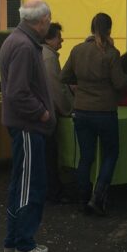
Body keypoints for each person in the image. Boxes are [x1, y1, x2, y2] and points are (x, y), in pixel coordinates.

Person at [0, 0, 56, 252]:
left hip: (25, 125)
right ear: (42, 20)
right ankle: (24, 245)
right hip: (28, 126)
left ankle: (14, 242)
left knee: (20, 184)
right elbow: (18, 93)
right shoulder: (24, 46)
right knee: (30, 186)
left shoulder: (19, 40)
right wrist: (42, 113)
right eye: (49, 20)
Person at [61, 12, 127, 216]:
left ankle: (83, 198)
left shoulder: (77, 49)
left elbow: (64, 75)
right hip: (105, 110)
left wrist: (81, 84)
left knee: (86, 157)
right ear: (109, 29)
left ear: (91, 28)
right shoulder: (111, 53)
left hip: (82, 110)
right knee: (110, 153)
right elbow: (119, 83)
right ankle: (98, 196)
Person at [42, 22, 74, 203]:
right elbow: (55, 88)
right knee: (49, 153)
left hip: (41, 111)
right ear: (49, 38)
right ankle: (52, 191)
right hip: (47, 113)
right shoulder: (49, 58)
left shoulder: (42, 54)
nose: (62, 40)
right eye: (58, 37)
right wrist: (68, 109)